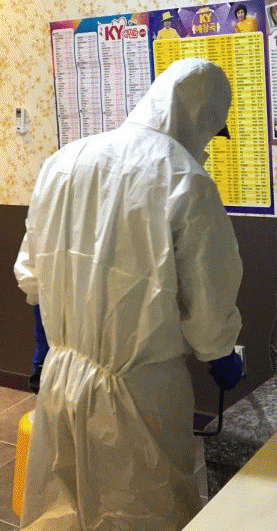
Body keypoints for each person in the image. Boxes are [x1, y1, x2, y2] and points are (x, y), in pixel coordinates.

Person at [14, 58, 244, 531]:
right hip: (140, 393)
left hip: (61, 377)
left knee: (63, 507)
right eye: (210, 133)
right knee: (142, 510)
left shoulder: (65, 160)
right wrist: (221, 354)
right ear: (200, 119)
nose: (206, 146)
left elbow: (33, 271)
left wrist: (44, 346)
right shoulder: (184, 178)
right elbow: (208, 296)